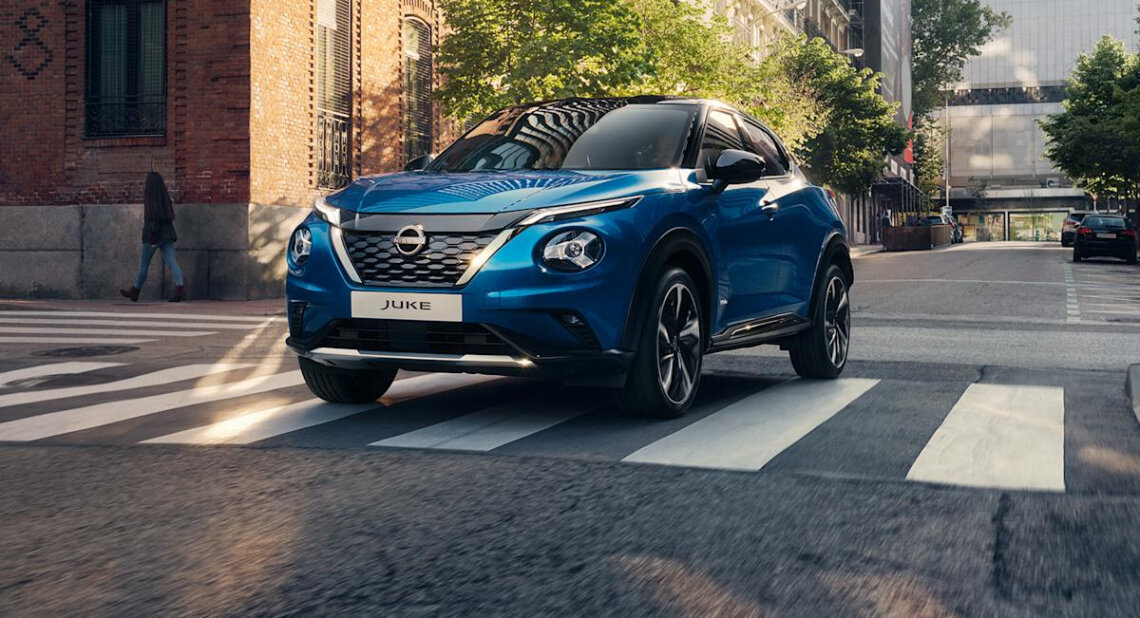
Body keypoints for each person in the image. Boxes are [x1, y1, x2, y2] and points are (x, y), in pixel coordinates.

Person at [120, 171, 185, 302]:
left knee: (144, 265)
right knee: (172, 262)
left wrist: (153, 237)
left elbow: (153, 220)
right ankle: (180, 288)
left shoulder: (151, 199)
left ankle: (135, 290)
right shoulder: (165, 198)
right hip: (167, 235)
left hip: (153, 236)